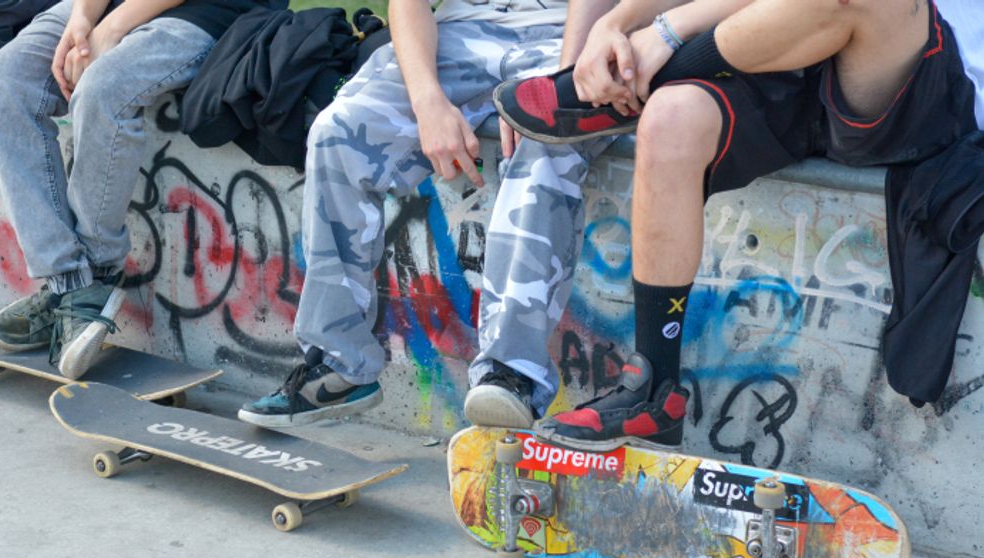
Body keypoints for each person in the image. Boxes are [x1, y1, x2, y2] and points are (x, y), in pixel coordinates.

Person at [489, 0, 983, 450]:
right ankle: (653, 394)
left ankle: (628, 87)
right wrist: (616, 23)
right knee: (670, 118)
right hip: (785, 56)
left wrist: (664, 34)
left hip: (907, 74)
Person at [239, 0, 632, 427]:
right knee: (339, 133)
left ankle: (511, 375)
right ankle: (338, 364)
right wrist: (429, 106)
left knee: (546, 148)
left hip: (570, 41)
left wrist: (555, 93)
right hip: (458, 37)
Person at [0, 0, 272, 378]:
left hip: (208, 9)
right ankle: (68, 284)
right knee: (1, 81)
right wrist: (83, 18)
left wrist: (112, 28)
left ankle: (95, 278)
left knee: (104, 87)